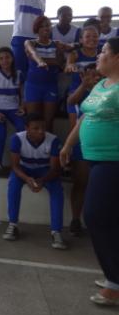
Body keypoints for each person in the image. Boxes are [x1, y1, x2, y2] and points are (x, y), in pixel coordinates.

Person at [60, 37, 119, 305]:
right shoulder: (102, 85)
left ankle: (115, 283)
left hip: (113, 162)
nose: (98, 55)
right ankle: (114, 276)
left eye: (104, 51)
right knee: (108, 219)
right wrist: (68, 145)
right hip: (95, 159)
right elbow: (85, 116)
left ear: (117, 57)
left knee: (96, 216)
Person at [2, 113, 66, 250]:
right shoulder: (17, 139)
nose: (41, 131)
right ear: (27, 128)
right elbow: (15, 166)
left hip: (45, 171)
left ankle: (56, 231)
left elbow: (55, 169)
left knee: (57, 190)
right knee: (13, 184)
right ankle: (12, 225)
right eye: (36, 128)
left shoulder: (54, 140)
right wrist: (27, 179)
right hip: (24, 170)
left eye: (43, 127)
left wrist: (42, 180)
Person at [65, 63, 100, 236]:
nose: (94, 78)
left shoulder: (108, 90)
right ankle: (75, 219)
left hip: (104, 145)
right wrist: (84, 85)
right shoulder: (79, 94)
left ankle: (100, 223)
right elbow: (71, 101)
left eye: (96, 75)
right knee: (80, 182)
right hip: (82, 144)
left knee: (102, 186)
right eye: (90, 75)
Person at [24, 15, 74, 132]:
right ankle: (32, 150)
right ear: (37, 29)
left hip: (50, 87)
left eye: (48, 25)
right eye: (42, 26)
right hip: (33, 87)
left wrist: (56, 59)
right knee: (32, 121)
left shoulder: (56, 44)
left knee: (48, 122)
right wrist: (40, 61)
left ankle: (48, 149)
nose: (46, 28)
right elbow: (33, 53)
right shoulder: (30, 43)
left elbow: (60, 63)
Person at [0, 47, 25, 171]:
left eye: (7, 57)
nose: (5, 61)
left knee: (22, 129)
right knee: (1, 132)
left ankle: (21, 162)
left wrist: (22, 106)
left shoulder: (19, 74)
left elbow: (22, 94)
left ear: (12, 58)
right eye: (1, 58)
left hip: (14, 109)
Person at [12, 0, 45, 74]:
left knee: (34, 70)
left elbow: (41, 20)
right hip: (20, 37)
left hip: (36, 38)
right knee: (19, 71)